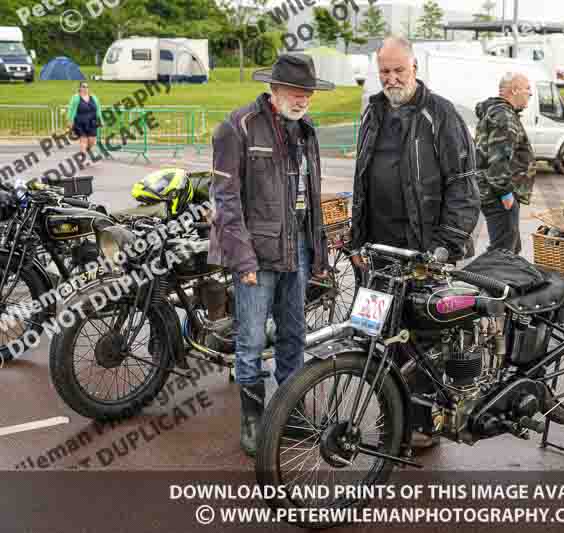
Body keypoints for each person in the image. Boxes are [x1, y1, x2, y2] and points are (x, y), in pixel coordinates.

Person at [349, 36, 481, 448]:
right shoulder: (373, 113)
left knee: (421, 342)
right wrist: (357, 242)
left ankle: (421, 426)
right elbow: (362, 180)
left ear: (414, 68)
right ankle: (393, 418)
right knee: (375, 338)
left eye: (398, 70)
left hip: (425, 252)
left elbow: (463, 185)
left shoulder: (440, 115)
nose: (391, 79)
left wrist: (448, 243)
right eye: (384, 71)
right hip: (378, 254)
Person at [208, 54, 333, 457]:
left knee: (294, 336)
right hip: (256, 254)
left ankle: (289, 412)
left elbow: (311, 200)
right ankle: (253, 420)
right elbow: (225, 199)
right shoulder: (237, 126)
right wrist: (242, 260)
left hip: (296, 246)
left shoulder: (307, 131)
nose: (302, 100)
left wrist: (319, 255)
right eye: (296, 92)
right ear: (274, 90)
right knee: (249, 341)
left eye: (308, 93)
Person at [474, 72, 536, 255]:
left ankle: (500, 281)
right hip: (499, 196)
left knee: (510, 248)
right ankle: (487, 281)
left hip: (495, 193)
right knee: (503, 252)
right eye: (527, 89)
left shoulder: (499, 112)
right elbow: (498, 160)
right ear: (514, 90)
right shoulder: (504, 116)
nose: (530, 93)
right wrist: (506, 193)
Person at [67, 82, 103, 163]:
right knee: (83, 140)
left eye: (87, 87)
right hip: (80, 122)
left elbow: (98, 109)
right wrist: (70, 120)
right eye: (83, 86)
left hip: (92, 122)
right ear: (80, 88)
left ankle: (86, 149)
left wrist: (100, 120)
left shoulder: (94, 97)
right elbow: (71, 109)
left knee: (92, 141)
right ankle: (82, 159)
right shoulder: (75, 98)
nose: (85, 88)